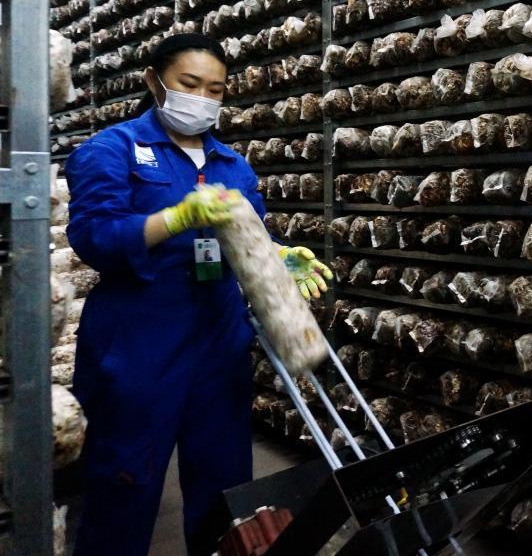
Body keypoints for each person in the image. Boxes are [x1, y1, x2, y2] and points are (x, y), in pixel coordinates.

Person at [66, 33, 334, 556]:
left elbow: (252, 235)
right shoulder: (112, 149)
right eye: (190, 85)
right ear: (154, 80)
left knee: (224, 492)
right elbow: (94, 237)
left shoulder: (231, 162)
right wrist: (175, 218)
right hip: (138, 347)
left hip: (218, 346)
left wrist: (278, 257)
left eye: (215, 89)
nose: (203, 99)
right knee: (125, 488)